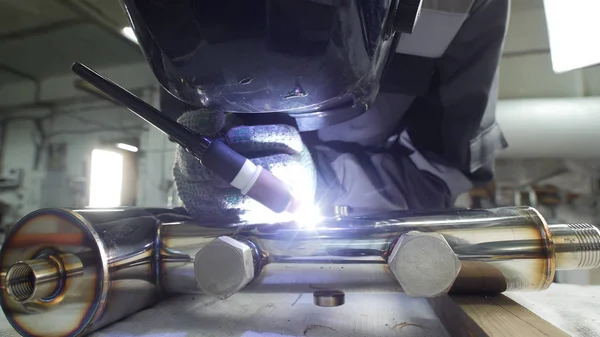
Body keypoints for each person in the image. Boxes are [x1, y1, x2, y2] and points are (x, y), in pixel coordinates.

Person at [122, 0, 510, 221]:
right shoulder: (174, 28)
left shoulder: (461, 5)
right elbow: (198, 132)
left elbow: (442, 177)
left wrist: (325, 180)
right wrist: (203, 172)